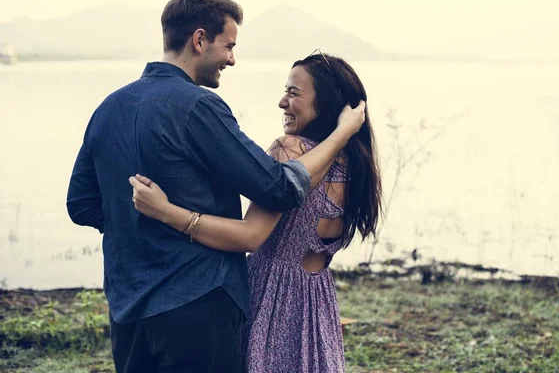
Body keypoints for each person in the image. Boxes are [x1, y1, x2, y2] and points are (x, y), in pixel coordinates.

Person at [66, 0, 365, 373]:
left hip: (128, 308)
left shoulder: (109, 107)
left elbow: (81, 204)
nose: (232, 59)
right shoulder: (199, 107)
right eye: (229, 46)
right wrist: (343, 133)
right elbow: (277, 187)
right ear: (200, 40)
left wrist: (140, 227)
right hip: (198, 304)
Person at [129, 51, 382, 372]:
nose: (282, 102)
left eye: (293, 93)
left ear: (327, 101)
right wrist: (343, 132)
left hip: (270, 297)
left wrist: (166, 211)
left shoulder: (289, 149)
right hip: (317, 302)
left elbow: (249, 235)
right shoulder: (357, 164)